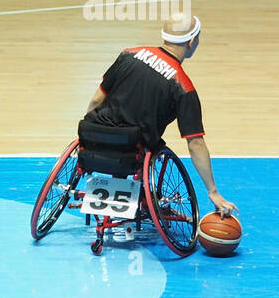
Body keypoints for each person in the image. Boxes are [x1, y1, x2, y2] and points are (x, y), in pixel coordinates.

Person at [82, 13, 237, 217]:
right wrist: (213, 191)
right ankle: (146, 199)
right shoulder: (183, 87)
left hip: (96, 135)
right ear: (191, 42)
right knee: (156, 148)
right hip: (134, 148)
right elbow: (195, 144)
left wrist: (89, 136)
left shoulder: (129, 53)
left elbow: (96, 100)